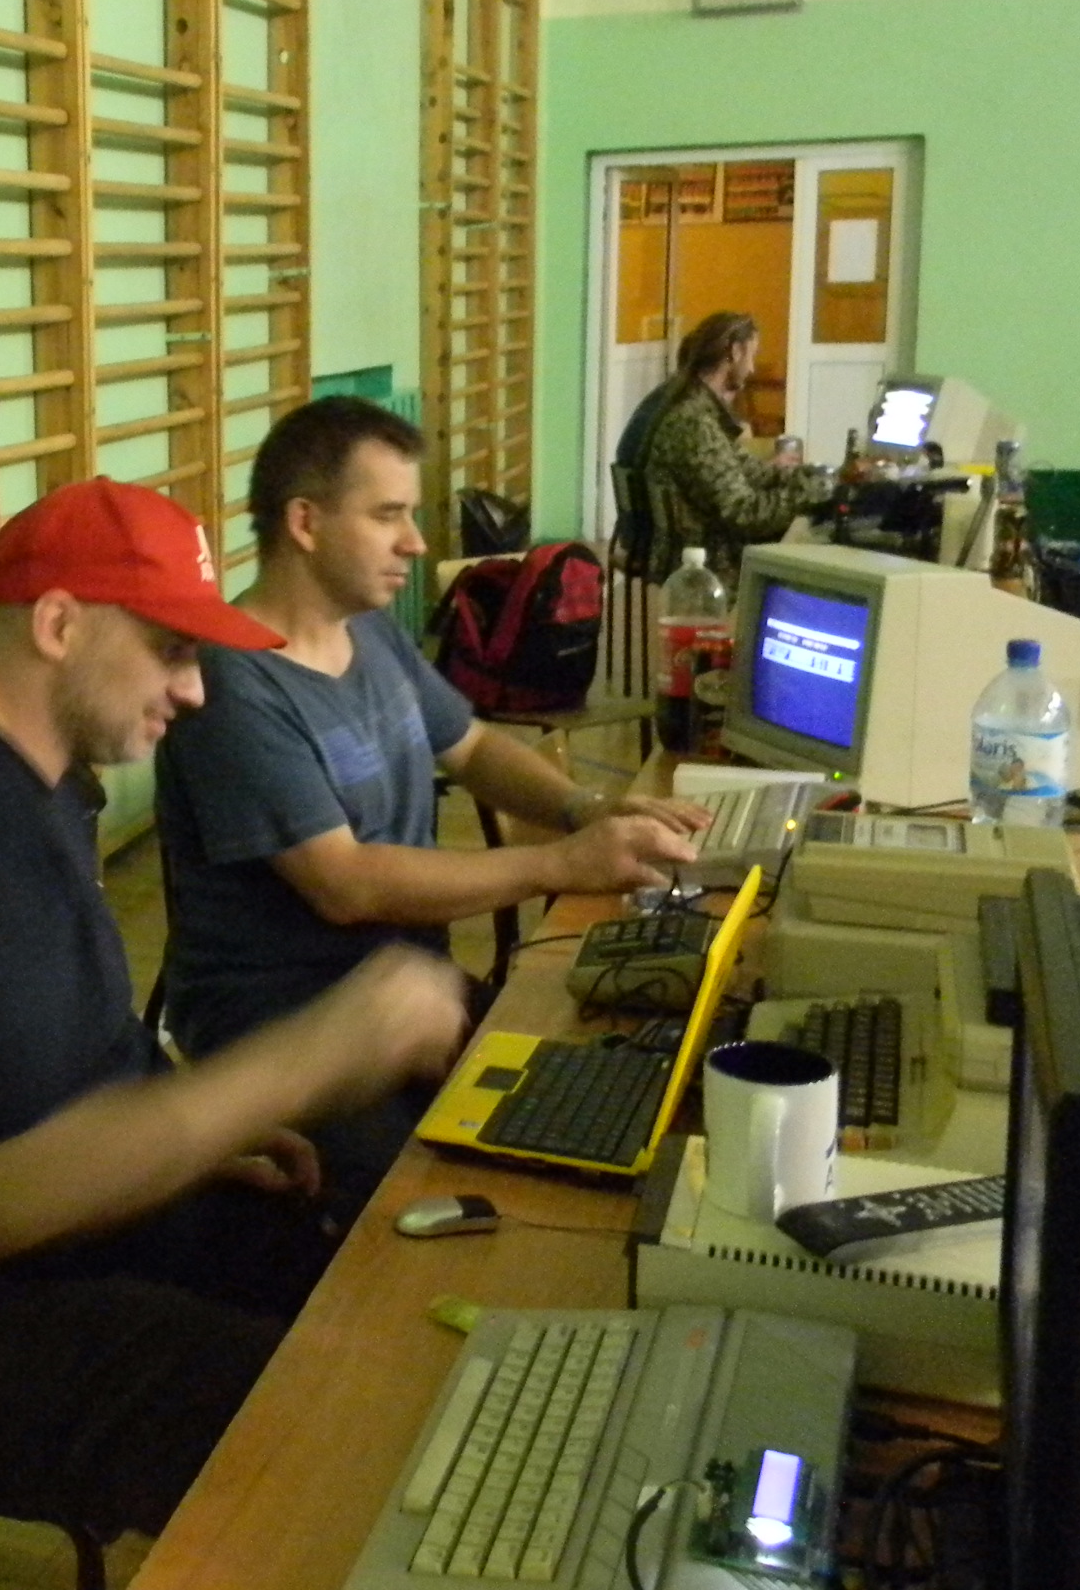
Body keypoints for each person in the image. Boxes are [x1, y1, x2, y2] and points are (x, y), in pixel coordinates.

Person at [0, 479, 471, 1540]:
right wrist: (308, 1058)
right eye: (171, 651)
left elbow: (62, 1061)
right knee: (335, 1418)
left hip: (15, 1271)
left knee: (365, 1267)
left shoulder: (18, 784)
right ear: (60, 624)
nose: (197, 690)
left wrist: (193, 1142)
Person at [155, 398, 705, 1212]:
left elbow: (471, 747)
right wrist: (561, 864)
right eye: (388, 515)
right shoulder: (233, 681)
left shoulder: (368, 631)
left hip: (409, 991)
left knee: (620, 1089)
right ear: (305, 522)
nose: (415, 541)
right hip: (290, 1030)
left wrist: (587, 811)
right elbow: (346, 884)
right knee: (435, 1208)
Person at [638, 310, 827, 581]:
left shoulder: (699, 411)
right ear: (735, 352)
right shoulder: (695, 424)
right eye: (751, 356)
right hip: (709, 561)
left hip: (707, 548)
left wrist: (818, 477)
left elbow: (754, 473)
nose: (751, 369)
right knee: (816, 551)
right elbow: (743, 513)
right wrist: (815, 494)